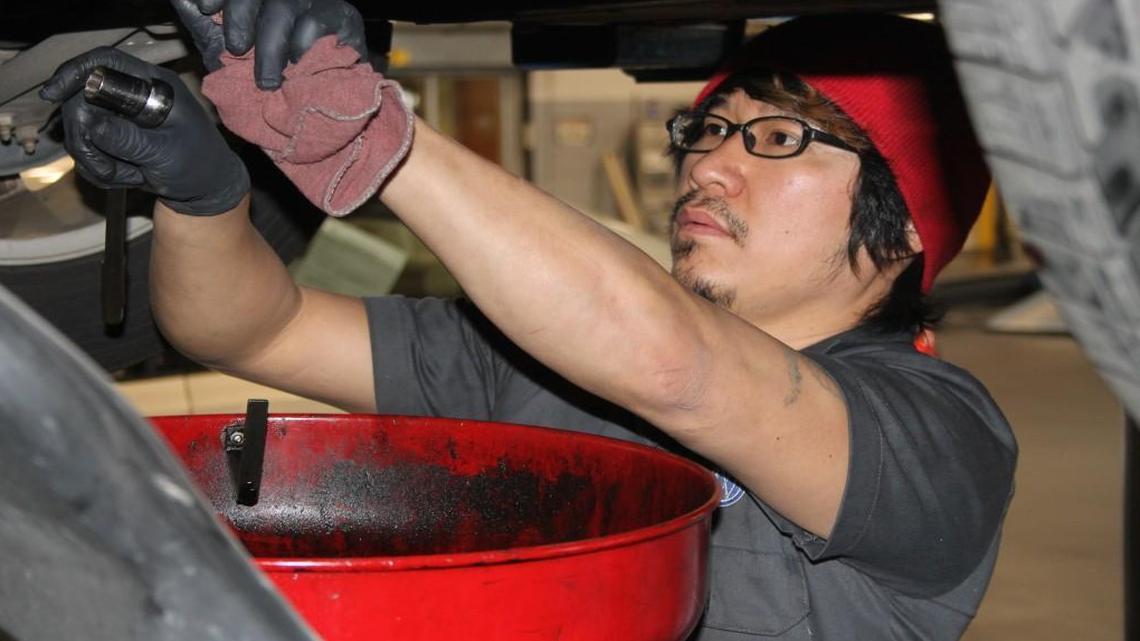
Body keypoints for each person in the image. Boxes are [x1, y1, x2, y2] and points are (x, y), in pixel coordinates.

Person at [40, 2, 1017, 638]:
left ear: (902, 223)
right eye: (709, 129)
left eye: (774, 137)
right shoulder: (541, 359)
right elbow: (254, 329)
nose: (711, 163)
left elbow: (678, 366)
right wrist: (203, 194)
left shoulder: (937, 431)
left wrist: (374, 133)